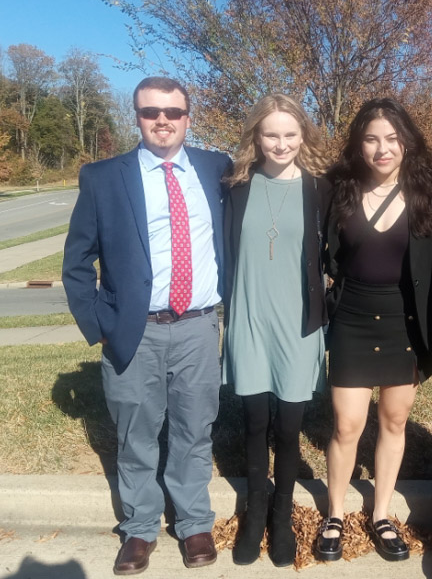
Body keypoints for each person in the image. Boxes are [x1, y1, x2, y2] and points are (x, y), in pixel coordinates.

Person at [62, 77, 230, 575]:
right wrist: (101, 325)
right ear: (136, 115)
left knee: (194, 428)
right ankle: (139, 528)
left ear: (187, 116)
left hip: (200, 327)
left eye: (173, 112)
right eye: (150, 111)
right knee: (136, 431)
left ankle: (194, 522)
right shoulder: (103, 177)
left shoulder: (215, 168)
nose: (162, 120)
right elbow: (76, 262)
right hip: (133, 330)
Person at [314, 97, 432, 563]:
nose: (382, 148)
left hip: (404, 321)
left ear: (406, 142)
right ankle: (334, 513)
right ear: (358, 144)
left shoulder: (431, 190)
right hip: (351, 317)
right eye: (371, 139)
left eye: (392, 138)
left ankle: (382, 514)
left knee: (393, 421)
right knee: (347, 424)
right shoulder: (337, 189)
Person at [221, 94, 332, 567]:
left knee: (289, 428)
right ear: (256, 137)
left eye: (290, 133)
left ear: (302, 136)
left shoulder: (319, 189)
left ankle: (282, 515)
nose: (280, 142)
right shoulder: (235, 186)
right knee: (254, 423)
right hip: (249, 319)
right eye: (271, 134)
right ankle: (255, 512)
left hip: (298, 325)